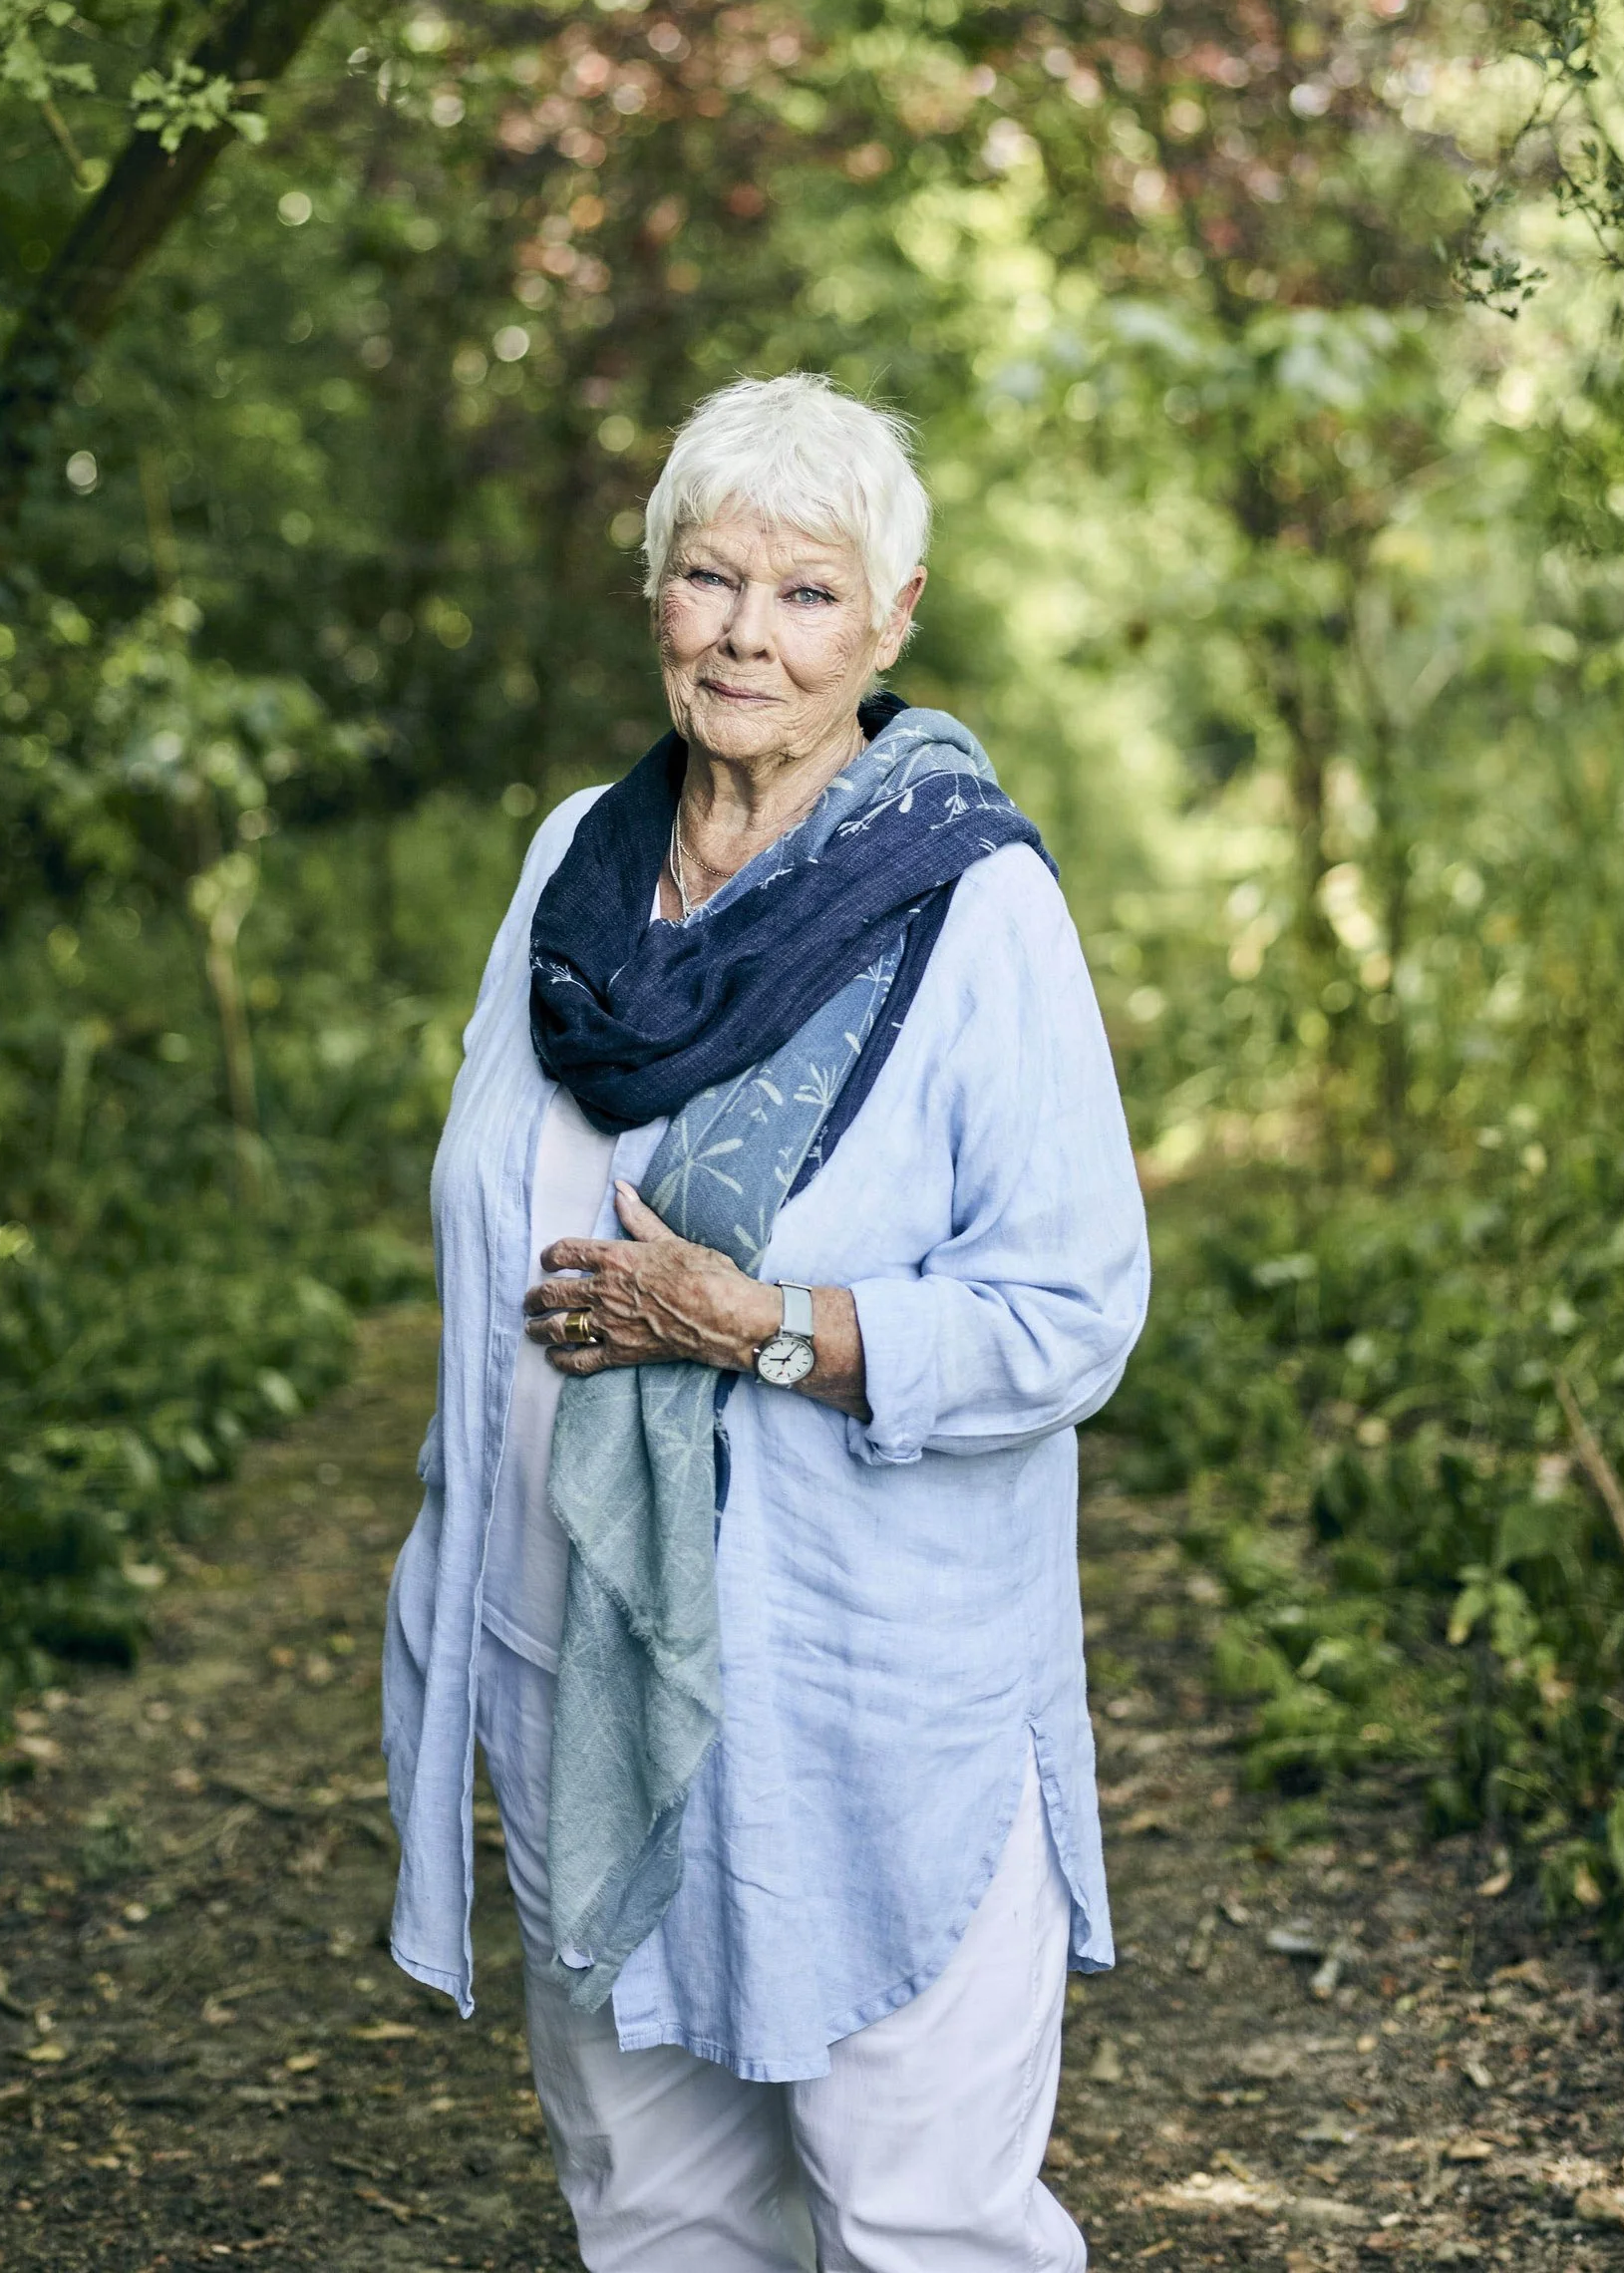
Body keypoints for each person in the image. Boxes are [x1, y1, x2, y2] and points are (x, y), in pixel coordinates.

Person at [381, 372, 1150, 2273]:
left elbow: (1070, 1312)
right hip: (578, 1650)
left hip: (861, 1687)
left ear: (891, 623)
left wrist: (762, 1325)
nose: (747, 634)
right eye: (709, 577)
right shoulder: (573, 864)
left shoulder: (968, 906)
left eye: (807, 594)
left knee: (918, 2215)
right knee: (656, 2207)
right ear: (653, 591)